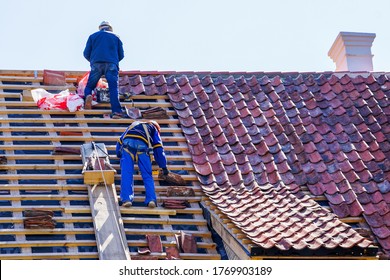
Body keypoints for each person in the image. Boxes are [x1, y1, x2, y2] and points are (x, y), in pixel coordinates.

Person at [116, 120, 169, 207]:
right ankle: (151, 200)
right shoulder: (153, 128)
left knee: (126, 174)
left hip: (126, 146)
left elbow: (120, 141)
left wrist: (119, 154)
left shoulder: (133, 125)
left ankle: (126, 200)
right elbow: (158, 147)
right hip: (142, 147)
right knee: (147, 175)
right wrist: (163, 166)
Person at [83, 21, 126, 119]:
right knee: (113, 88)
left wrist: (94, 61)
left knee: (90, 86)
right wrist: (113, 61)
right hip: (111, 64)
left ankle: (88, 96)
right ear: (110, 28)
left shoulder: (93, 36)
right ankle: (116, 112)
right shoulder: (116, 37)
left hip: (96, 64)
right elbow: (121, 55)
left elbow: (86, 53)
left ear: (100, 28)